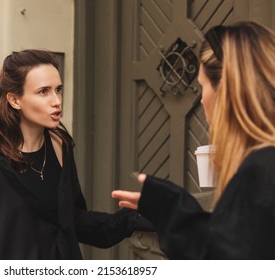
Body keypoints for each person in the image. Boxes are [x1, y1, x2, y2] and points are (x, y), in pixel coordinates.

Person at [0, 49, 151, 260]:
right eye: (43, 91)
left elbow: (73, 221)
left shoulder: (60, 147)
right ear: (14, 100)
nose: (56, 101)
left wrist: (132, 220)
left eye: (58, 89)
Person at [112, 21, 275, 259]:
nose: (202, 100)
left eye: (202, 86)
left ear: (226, 90)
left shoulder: (260, 171)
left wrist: (172, 210)